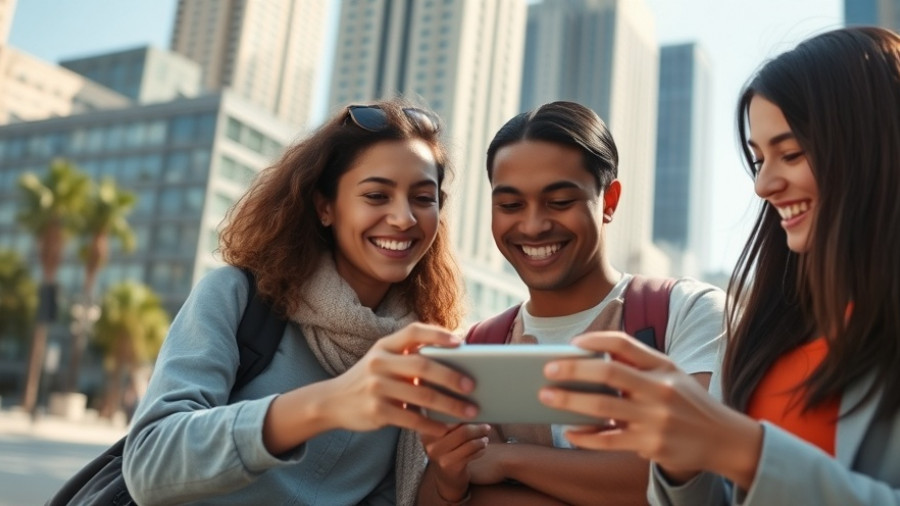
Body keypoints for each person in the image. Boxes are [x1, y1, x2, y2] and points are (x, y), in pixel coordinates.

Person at [536, 26, 900, 505]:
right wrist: (680, 461)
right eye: (757, 159)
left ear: (869, 148)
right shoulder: (765, 329)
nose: (763, 184)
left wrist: (740, 448)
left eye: (790, 153)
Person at [122, 99, 481, 505]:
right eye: (377, 195)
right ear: (325, 206)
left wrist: (450, 477)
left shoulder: (423, 350)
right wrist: (326, 405)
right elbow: (149, 462)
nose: (403, 218)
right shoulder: (238, 297)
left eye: (422, 198)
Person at [417, 101, 726, 505]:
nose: (532, 225)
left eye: (560, 202)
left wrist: (505, 461)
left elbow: (687, 473)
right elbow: (439, 493)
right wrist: (453, 478)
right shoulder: (476, 346)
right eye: (510, 205)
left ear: (609, 201)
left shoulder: (687, 312)